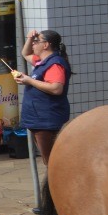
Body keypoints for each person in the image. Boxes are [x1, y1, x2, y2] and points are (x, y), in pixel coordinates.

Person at [15, 28, 73, 164]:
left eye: (36, 41)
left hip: (46, 120)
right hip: (39, 119)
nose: (33, 44)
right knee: (49, 160)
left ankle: (56, 184)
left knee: (51, 161)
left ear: (45, 45)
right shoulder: (43, 61)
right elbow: (25, 53)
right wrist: (30, 38)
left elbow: (56, 88)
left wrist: (29, 80)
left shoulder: (54, 64)